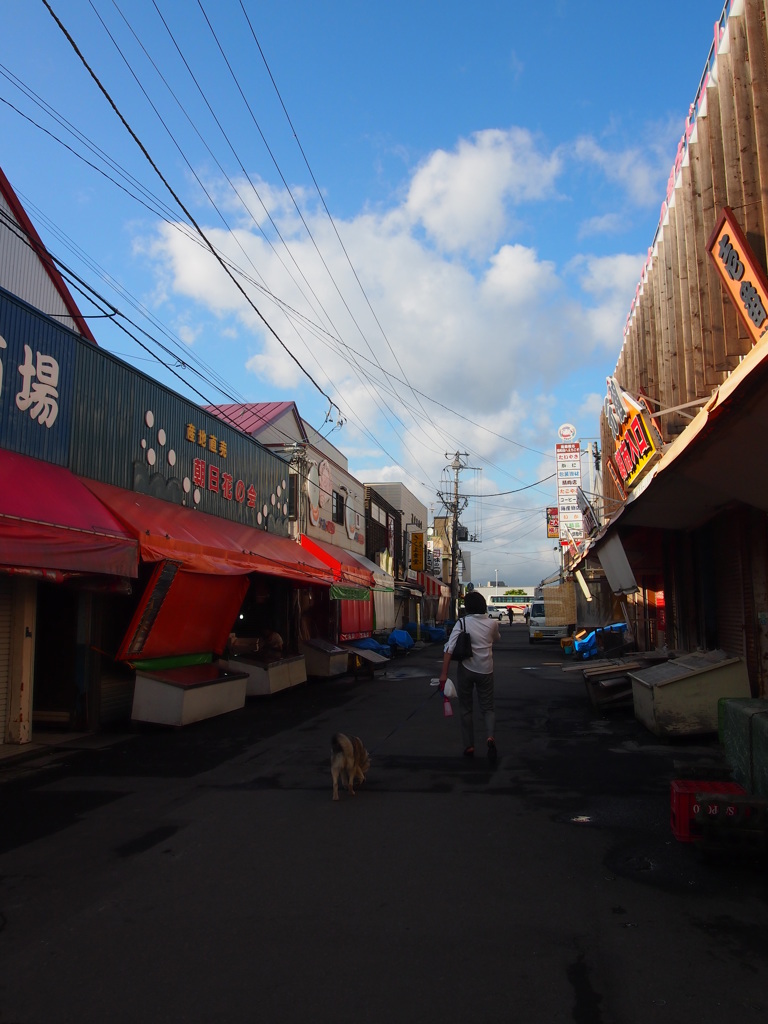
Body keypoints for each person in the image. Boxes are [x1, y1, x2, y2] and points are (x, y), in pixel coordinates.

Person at [439, 590, 501, 762]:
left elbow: (449, 648)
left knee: (466, 708)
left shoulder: (462, 623)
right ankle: (490, 737)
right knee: (488, 708)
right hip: (486, 669)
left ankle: (469, 746)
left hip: (466, 668)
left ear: (467, 607)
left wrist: (443, 674)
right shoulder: (492, 624)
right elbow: (497, 639)